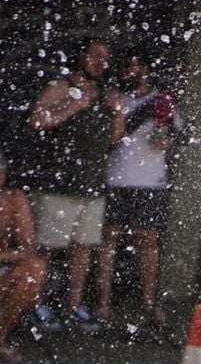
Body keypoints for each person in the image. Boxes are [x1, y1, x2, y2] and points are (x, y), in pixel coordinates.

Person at [26, 38, 125, 332]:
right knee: (46, 248)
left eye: (105, 57)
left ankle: (73, 306)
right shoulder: (61, 86)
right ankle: (35, 305)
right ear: (81, 56)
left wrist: (118, 112)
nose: (100, 62)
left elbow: (114, 138)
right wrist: (73, 104)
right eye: (95, 55)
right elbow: (36, 120)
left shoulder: (107, 94)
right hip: (59, 183)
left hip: (92, 185)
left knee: (83, 249)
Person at [96, 54, 182, 327]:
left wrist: (167, 139)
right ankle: (102, 304)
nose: (130, 70)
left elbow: (180, 134)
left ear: (147, 68)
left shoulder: (163, 99)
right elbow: (101, 135)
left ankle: (148, 304)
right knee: (108, 240)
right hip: (115, 179)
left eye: (135, 65)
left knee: (148, 242)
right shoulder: (112, 97)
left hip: (150, 181)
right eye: (125, 65)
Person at [0, 150, 48, 362]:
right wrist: (11, 255)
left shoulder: (13, 199)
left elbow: (28, 249)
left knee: (34, 269)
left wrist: (10, 256)